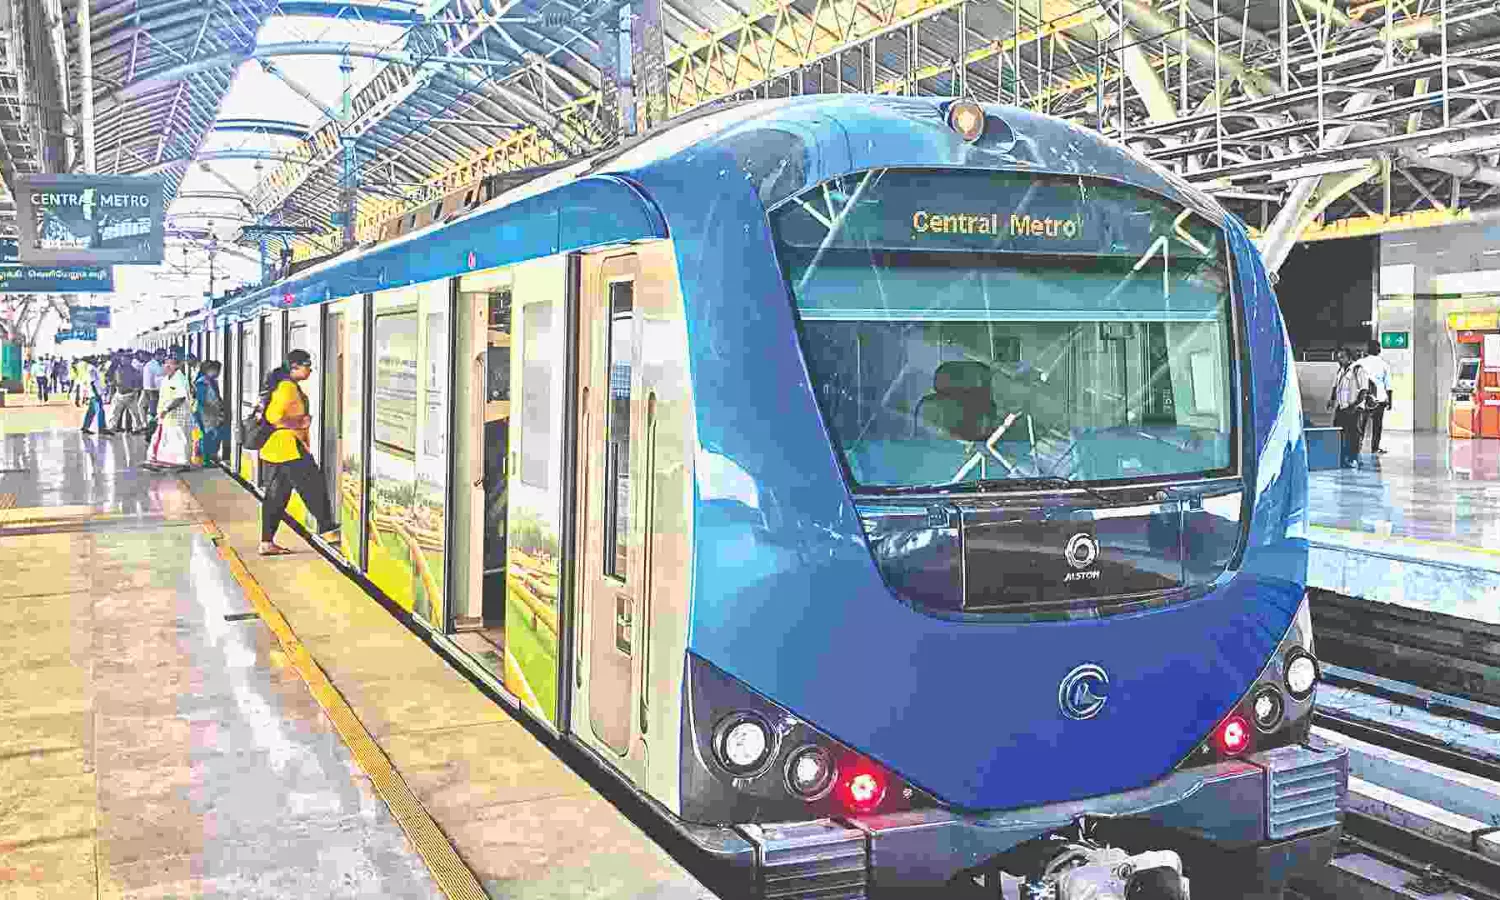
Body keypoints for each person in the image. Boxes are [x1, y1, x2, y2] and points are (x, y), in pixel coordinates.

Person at [258, 350, 340, 556]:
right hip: (288, 447)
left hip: (278, 449)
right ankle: (328, 529)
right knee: (314, 486)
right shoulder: (287, 387)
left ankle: (266, 543)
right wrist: (299, 423)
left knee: (277, 497)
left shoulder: (286, 384)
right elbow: (273, 416)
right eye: (307, 365)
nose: (310, 369)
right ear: (294, 367)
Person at [144, 355, 194, 470]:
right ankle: (161, 461)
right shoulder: (166, 379)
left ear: (177, 365)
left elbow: (180, 397)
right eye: (165, 363)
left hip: (178, 415)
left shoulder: (179, 378)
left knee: (180, 439)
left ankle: (184, 463)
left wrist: (166, 409)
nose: (167, 366)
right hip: (167, 415)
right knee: (164, 438)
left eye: (171, 363)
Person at [1327, 347, 1369, 469]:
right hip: (1342, 407)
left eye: (1342, 357)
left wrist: (1355, 406)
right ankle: (1342, 457)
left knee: (1353, 435)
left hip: (1354, 408)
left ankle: (1353, 458)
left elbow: (1364, 390)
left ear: (1349, 358)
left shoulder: (1358, 370)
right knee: (1338, 432)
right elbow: (1336, 387)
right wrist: (1332, 400)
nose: (1339, 360)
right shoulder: (1340, 371)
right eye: (1338, 357)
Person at [1356, 339, 1392, 455]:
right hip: (1379, 400)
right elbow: (1388, 385)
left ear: (1367, 350)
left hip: (1363, 399)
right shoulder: (1384, 364)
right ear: (1379, 350)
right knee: (1377, 426)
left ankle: (1357, 446)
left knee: (1361, 425)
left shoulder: (1360, 362)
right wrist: (1390, 401)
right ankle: (1375, 448)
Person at [194, 360, 227, 466]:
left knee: (213, 435)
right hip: (205, 414)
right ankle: (206, 460)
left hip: (212, 414)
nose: (218, 373)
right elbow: (202, 400)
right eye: (217, 371)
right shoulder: (202, 382)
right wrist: (212, 408)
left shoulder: (211, 381)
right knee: (207, 436)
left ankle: (210, 456)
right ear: (210, 370)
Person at [140, 348, 167, 436]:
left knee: (153, 410)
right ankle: (150, 431)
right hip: (152, 390)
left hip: (156, 390)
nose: (164, 358)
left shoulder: (160, 364)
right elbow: (154, 379)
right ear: (157, 355)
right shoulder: (151, 365)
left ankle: (152, 429)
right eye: (162, 356)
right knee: (153, 411)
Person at [81, 357, 111, 435]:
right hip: (95, 394)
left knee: (91, 411)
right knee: (100, 411)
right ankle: (102, 428)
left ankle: (85, 427)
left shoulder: (91, 368)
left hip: (93, 394)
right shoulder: (92, 369)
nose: (96, 359)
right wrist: (96, 394)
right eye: (94, 358)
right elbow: (92, 383)